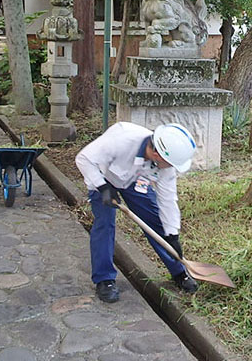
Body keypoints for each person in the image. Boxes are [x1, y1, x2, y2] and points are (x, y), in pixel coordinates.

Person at [74, 120, 198, 303]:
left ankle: (179, 272)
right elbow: (83, 159)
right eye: (169, 163)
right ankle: (105, 280)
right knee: (105, 225)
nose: (171, 167)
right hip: (103, 177)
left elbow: (168, 199)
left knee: (155, 222)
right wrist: (103, 187)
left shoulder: (164, 165)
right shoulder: (121, 140)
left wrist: (173, 234)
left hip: (135, 181)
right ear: (156, 153)